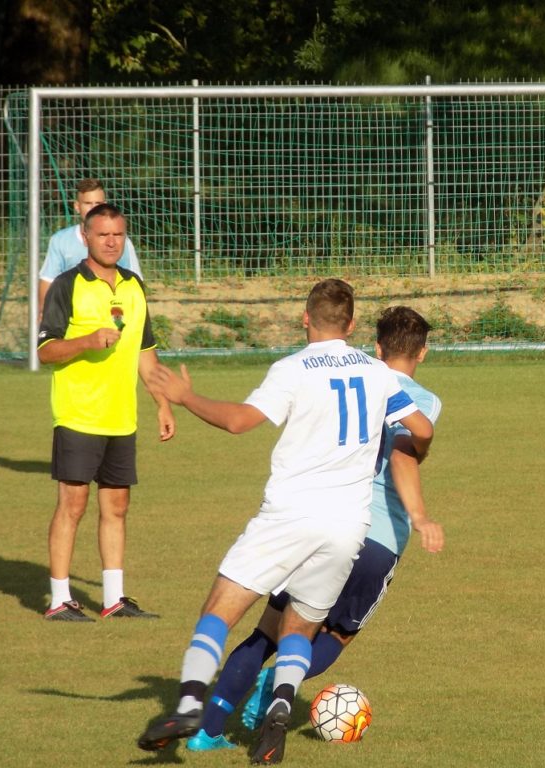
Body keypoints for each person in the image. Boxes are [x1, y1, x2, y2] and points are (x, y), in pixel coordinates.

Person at [137, 279, 434, 765]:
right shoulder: (378, 374)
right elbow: (420, 430)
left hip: (290, 515)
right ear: (353, 324)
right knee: (302, 626)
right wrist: (418, 450)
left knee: (221, 609)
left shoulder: (293, 369)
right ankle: (278, 711)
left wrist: (187, 398)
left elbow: (239, 421)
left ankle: (190, 706)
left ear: (304, 318)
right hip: (347, 528)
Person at [38, 203, 175, 622]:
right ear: (85, 236)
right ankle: (59, 599)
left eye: (118, 234)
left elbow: (145, 354)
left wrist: (162, 404)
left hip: (122, 417)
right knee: (73, 505)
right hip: (79, 414)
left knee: (117, 507)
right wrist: (85, 341)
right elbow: (45, 350)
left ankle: (114, 599)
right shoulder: (67, 285)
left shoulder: (134, 286)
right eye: (103, 234)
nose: (112, 241)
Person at [38, 178, 143, 316]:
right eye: (88, 203)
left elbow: (135, 283)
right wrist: (44, 317)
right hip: (71, 314)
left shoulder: (120, 242)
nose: (94, 208)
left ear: (105, 205)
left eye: (98, 203)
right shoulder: (60, 240)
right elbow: (48, 282)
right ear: (77, 206)